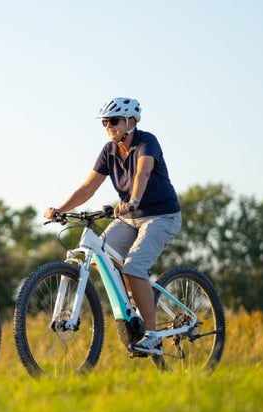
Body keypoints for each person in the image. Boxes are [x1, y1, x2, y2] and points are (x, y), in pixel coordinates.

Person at [44, 97, 181, 356]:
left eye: (114, 121)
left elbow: (142, 173)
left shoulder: (146, 142)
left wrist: (133, 200)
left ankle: (152, 336)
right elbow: (87, 187)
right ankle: (134, 302)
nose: (109, 126)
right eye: (105, 122)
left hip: (161, 216)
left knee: (134, 267)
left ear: (131, 121)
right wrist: (61, 209)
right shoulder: (109, 151)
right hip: (128, 218)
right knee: (99, 259)